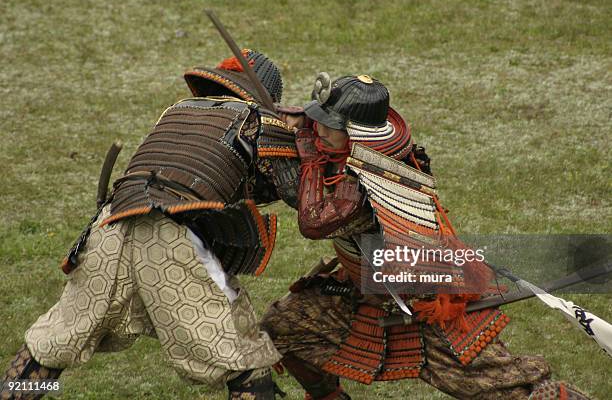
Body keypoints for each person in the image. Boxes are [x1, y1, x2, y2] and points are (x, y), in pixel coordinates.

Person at [261, 74, 591, 399]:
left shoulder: (371, 179)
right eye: (319, 121)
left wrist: (306, 156)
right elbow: (314, 127)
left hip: (424, 303)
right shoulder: (348, 151)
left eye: (329, 125)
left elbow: (314, 221)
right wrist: (298, 118)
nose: (319, 130)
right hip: (363, 289)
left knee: (504, 389)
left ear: (356, 134)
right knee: (283, 325)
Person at [1, 49, 301, 400]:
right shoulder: (255, 121)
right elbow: (296, 191)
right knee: (243, 352)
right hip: (171, 237)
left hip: (110, 226)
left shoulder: (176, 111)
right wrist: (300, 138)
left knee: (54, 344)